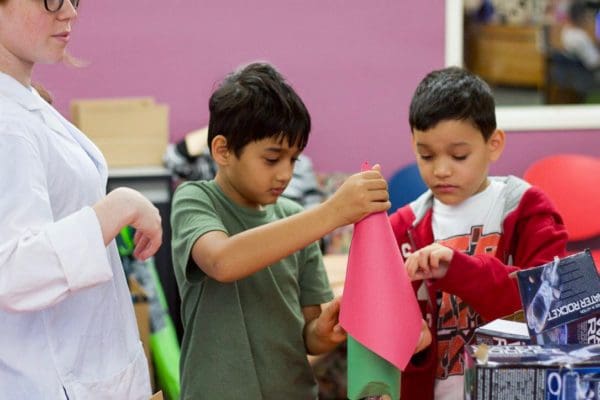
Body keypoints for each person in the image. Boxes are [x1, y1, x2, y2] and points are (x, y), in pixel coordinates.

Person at [170, 62, 429, 399]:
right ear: (222, 150)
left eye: (293, 160)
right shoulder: (195, 200)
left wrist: (324, 331)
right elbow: (222, 261)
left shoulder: (295, 218)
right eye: (272, 158)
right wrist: (333, 212)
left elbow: (309, 335)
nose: (285, 174)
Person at [0, 1, 163, 398]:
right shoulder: (6, 126)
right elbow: (13, 271)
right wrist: (117, 207)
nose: (70, 13)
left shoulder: (23, 104)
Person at [388, 66, 569, 400]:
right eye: (425, 155)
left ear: (494, 144)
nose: (441, 169)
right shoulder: (401, 228)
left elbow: (552, 310)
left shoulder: (528, 209)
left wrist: (459, 270)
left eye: (459, 155)